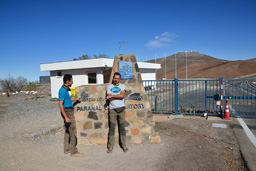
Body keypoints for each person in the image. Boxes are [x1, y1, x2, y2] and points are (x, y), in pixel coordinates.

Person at [58, 74, 84, 157]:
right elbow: (60, 104)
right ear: (68, 81)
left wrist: (76, 100)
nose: (72, 82)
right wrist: (66, 117)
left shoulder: (65, 90)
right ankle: (74, 152)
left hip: (68, 110)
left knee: (67, 131)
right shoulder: (63, 90)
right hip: (68, 111)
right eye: (71, 80)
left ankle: (66, 149)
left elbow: (67, 99)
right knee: (73, 131)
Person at [106, 72, 128, 153]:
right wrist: (113, 97)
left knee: (122, 128)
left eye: (117, 78)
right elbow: (109, 98)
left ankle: (124, 145)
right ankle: (110, 146)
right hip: (112, 110)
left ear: (119, 79)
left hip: (121, 109)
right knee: (112, 128)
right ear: (113, 78)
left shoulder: (122, 86)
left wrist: (112, 96)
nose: (116, 80)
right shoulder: (109, 86)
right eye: (115, 78)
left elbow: (122, 95)